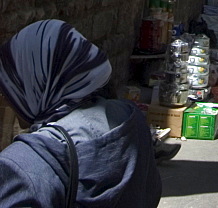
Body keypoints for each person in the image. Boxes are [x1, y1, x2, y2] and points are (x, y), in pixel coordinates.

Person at [0, 19, 161, 207]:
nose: (4, 98)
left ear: (37, 81)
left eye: (11, 84)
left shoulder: (23, 167)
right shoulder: (132, 122)